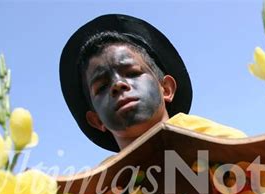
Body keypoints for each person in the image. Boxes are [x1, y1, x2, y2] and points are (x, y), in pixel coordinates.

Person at [59, 14, 245, 153]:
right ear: (97, 120)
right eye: (101, 87)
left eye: (132, 73)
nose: (118, 84)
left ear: (166, 88)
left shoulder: (229, 147)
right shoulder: (102, 193)